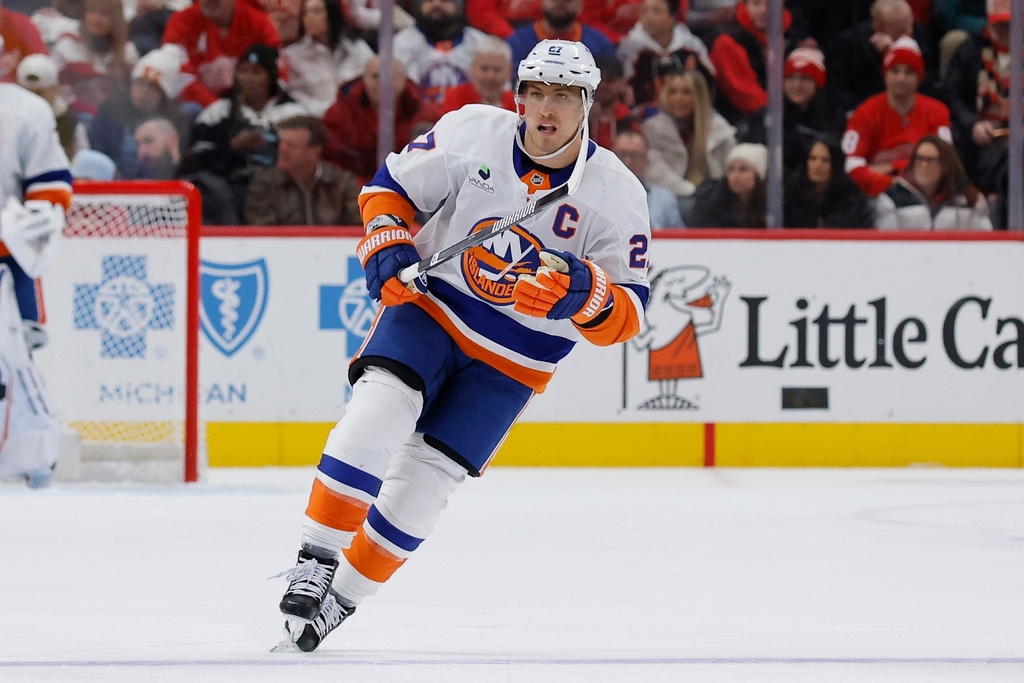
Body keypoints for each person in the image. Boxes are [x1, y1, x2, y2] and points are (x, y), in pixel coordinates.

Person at [273, 39, 651, 653]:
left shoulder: (617, 193)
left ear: (588, 105)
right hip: (436, 311)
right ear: (520, 96)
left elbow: (628, 313)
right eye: (537, 93)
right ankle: (316, 558)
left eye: (564, 96)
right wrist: (389, 243)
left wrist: (580, 291)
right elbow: (387, 188)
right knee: (375, 413)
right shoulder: (473, 132)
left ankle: (343, 598)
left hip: (515, 360)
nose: (547, 108)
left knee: (426, 483)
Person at [0, 82, 72, 488]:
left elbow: (50, 182)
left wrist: (37, 220)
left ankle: (34, 458)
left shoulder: (24, 111)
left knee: (16, 363)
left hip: (6, 264)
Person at [182, 43, 306, 221]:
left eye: (256, 72)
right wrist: (232, 148)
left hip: (283, 190)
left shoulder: (294, 114)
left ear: (271, 77)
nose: (248, 78)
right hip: (230, 191)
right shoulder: (217, 113)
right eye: (243, 71)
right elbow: (196, 161)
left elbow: (308, 157)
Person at [841, 36, 952, 197]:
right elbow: (849, 166)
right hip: (877, 195)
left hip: (926, 195)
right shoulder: (864, 113)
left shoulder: (938, 111)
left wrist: (893, 167)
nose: (901, 78)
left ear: (919, 78)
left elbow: (946, 161)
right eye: (895, 71)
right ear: (885, 75)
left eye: (909, 72)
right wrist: (893, 184)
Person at [322, 56, 441, 184]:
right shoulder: (340, 113)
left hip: (411, 189)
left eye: (390, 77)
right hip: (356, 192)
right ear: (364, 79)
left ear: (403, 80)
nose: (383, 84)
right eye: (375, 77)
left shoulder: (427, 115)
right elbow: (332, 162)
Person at [161, 0, 281, 109]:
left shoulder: (258, 22)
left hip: (253, 107)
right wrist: (219, 109)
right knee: (190, 109)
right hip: (202, 110)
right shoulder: (182, 22)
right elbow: (179, 76)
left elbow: (278, 69)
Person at [244, 115, 361, 226]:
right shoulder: (265, 184)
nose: (282, 150)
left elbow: (359, 226)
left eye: (291, 145)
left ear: (314, 151)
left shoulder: (341, 183)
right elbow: (261, 233)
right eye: (281, 143)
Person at [640, 69, 735, 199]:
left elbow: (730, 168)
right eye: (673, 92)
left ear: (700, 96)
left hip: (713, 198)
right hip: (669, 196)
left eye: (687, 92)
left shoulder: (720, 129)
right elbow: (654, 171)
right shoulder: (652, 129)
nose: (679, 98)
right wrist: (691, 192)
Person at [875, 134, 992, 229]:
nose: (923, 166)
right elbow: (887, 244)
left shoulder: (969, 198)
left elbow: (985, 241)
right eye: (919, 159)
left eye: (931, 160)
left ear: (945, 165)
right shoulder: (892, 198)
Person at [616, 0, 714, 112]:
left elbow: (708, 82)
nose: (649, 17)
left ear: (673, 16)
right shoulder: (630, 46)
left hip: (692, 111)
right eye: (644, 11)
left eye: (656, 11)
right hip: (645, 115)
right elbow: (622, 88)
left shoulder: (691, 45)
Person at [282, 0, 375, 117]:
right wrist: (329, 112)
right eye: (305, 13)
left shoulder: (356, 47)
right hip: (319, 119)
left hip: (359, 117)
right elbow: (296, 96)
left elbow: (375, 77)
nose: (309, 18)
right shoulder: (292, 56)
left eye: (316, 12)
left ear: (332, 14)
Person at [783, 135, 875, 228]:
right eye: (813, 158)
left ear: (835, 165)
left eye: (825, 160)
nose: (818, 165)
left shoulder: (851, 199)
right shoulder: (793, 195)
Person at [16, 54, 90, 161]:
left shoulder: (70, 123)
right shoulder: (10, 121)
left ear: (55, 88)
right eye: (27, 92)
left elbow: (83, 163)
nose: (32, 99)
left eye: (39, 93)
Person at [506, 0, 617, 71]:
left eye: (567, 1)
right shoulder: (517, 43)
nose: (560, 3)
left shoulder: (600, 45)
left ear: (580, 5)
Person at [614, 129, 684, 228]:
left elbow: (679, 240)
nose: (628, 161)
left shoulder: (664, 198)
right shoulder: (599, 196)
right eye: (622, 154)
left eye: (635, 155)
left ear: (647, 160)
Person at [688, 142, 767, 227]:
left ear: (758, 175)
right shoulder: (710, 203)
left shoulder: (773, 206)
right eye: (731, 169)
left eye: (743, 169)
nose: (735, 176)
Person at [438, 36, 516, 114]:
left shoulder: (518, 104)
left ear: (510, 72)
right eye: (484, 69)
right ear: (472, 69)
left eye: (497, 70)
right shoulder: (455, 97)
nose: (490, 76)